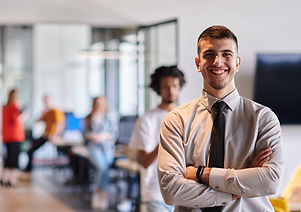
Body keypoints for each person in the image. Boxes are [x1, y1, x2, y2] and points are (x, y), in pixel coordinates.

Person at [157, 25, 284, 211]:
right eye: (209, 54)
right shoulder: (176, 120)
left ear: (237, 63)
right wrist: (239, 187)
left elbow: (271, 182)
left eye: (227, 54)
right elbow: (171, 190)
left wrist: (201, 174)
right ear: (197, 63)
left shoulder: (263, 118)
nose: (218, 62)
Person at [127, 65, 185, 212]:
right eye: (166, 86)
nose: (171, 90)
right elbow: (145, 162)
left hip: (184, 190)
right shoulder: (147, 120)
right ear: (158, 89)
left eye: (174, 86)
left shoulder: (187, 117)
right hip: (156, 192)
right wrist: (165, 141)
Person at [84, 96, 118, 210]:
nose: (99, 105)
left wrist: (104, 136)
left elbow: (114, 134)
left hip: (108, 148)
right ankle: (102, 193)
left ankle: (98, 192)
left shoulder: (109, 117)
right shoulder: (89, 118)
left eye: (101, 103)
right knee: (102, 168)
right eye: (97, 103)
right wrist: (93, 136)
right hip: (94, 148)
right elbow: (84, 134)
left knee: (104, 169)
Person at [22, 95, 65, 176]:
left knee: (31, 150)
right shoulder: (47, 112)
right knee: (31, 149)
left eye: (47, 101)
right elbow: (37, 120)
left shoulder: (56, 111)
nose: (46, 103)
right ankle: (28, 169)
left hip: (51, 136)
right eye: (45, 102)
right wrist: (43, 112)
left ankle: (28, 169)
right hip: (45, 135)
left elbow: (60, 124)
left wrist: (54, 135)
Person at [0, 89, 27, 187]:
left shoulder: (4, 107)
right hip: (15, 135)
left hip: (6, 135)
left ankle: (3, 177)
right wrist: (24, 115)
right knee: (13, 159)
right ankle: (12, 179)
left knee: (8, 158)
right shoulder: (14, 106)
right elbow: (16, 120)